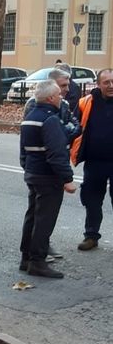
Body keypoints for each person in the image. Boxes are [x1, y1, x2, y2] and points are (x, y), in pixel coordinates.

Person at [19, 79, 77, 278]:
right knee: (45, 220)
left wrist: (27, 168)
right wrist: (67, 179)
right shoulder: (50, 119)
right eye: (59, 95)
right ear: (51, 98)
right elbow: (57, 153)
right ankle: (37, 262)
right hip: (48, 177)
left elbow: (24, 151)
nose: (61, 97)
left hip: (34, 174)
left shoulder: (29, 117)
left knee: (32, 216)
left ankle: (26, 258)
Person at [70, 68, 113, 251]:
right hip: (95, 162)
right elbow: (73, 127)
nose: (111, 86)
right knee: (92, 200)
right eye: (107, 82)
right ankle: (91, 236)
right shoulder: (85, 103)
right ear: (98, 84)